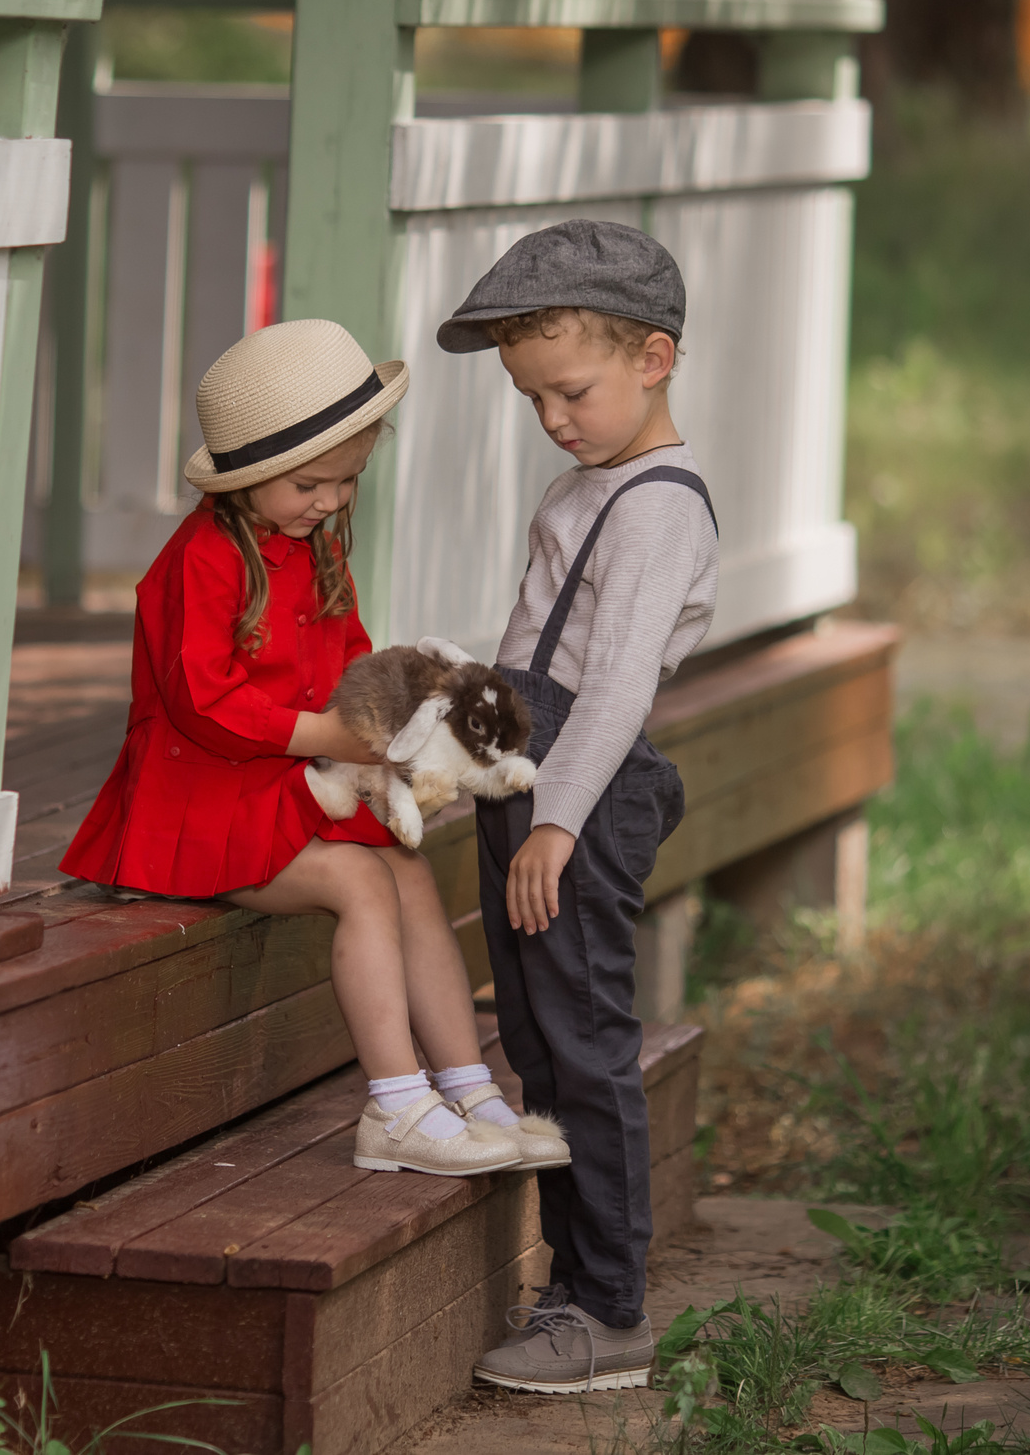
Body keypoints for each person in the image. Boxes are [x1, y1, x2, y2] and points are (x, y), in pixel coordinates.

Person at [62, 318, 559, 1178]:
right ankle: (396, 1106)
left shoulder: (314, 547)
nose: (330, 501)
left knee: (406, 864)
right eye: (309, 483)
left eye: (347, 481)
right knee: (361, 878)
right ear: (247, 477)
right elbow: (202, 702)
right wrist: (332, 737)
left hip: (288, 783)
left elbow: (350, 665)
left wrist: (397, 726)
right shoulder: (201, 562)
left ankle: (471, 1087)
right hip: (199, 801)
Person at [440, 220, 720, 1393]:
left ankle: (608, 1308)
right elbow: (523, 655)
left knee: (588, 1045)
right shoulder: (585, 486)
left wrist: (552, 820)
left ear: (652, 358)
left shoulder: (656, 505)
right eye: (533, 399)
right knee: (538, 1043)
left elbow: (613, 686)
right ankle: (571, 1281)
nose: (554, 419)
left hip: (581, 805)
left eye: (572, 391)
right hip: (534, 786)